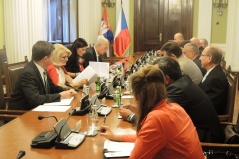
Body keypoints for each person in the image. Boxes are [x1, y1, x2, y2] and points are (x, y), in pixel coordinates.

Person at [100, 65, 204, 159]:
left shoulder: (157, 118)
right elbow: (145, 138)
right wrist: (115, 137)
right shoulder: (175, 107)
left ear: (136, 96)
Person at [120, 57, 225, 143]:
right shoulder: (182, 82)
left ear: (166, 79)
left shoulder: (177, 90)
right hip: (198, 132)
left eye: (154, 76)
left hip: (206, 139)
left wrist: (131, 116)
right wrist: (137, 109)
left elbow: (156, 123)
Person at [9, 41, 77, 110]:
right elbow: (35, 99)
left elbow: (52, 87)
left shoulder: (42, 68)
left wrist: (67, 90)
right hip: (21, 114)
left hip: (38, 109)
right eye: (52, 56)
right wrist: (60, 96)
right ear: (45, 59)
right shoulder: (28, 73)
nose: (53, 58)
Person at [199, 46, 229, 115]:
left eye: (202, 55)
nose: (200, 58)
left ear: (209, 58)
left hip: (207, 120)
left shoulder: (216, 79)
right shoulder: (213, 72)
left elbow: (210, 107)